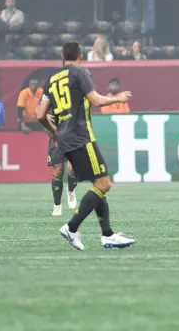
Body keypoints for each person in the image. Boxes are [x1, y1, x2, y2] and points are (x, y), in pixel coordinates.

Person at [37, 41, 135, 250]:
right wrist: (117, 98)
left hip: (64, 139)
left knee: (98, 183)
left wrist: (54, 131)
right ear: (80, 55)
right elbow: (96, 100)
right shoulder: (79, 73)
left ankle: (107, 234)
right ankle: (71, 228)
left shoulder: (51, 80)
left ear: (62, 56)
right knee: (104, 184)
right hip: (81, 136)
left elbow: (39, 114)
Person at [45, 105, 78, 217]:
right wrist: (44, 115)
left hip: (74, 134)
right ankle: (57, 205)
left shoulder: (76, 89)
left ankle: (71, 190)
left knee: (73, 167)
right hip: (56, 134)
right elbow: (39, 109)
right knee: (58, 170)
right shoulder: (49, 90)